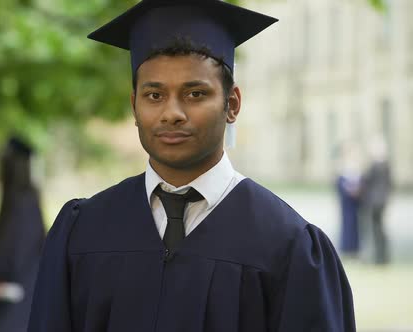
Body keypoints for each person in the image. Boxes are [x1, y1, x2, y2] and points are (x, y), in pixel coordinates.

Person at [29, 1, 356, 331]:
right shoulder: (84, 231)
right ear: (134, 105)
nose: (172, 113)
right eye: (154, 95)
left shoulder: (288, 245)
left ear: (232, 104)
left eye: (195, 94)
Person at [0, 136, 46, 332]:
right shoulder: (23, 200)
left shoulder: (21, 203)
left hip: (15, 304)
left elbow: (14, 253)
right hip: (14, 301)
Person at [361, 136, 392, 265]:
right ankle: (382, 256)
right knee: (380, 229)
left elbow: (367, 182)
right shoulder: (386, 165)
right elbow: (390, 184)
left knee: (376, 230)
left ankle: (380, 258)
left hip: (374, 202)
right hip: (382, 201)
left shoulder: (376, 165)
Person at [336, 142, 362, 257]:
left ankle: (355, 248)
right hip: (346, 201)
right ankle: (346, 248)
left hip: (355, 202)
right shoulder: (342, 165)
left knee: (355, 224)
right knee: (346, 223)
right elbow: (339, 182)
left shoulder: (356, 165)